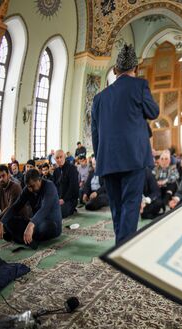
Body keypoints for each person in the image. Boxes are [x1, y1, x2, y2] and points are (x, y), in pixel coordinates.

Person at [91, 44, 159, 244]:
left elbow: (95, 135)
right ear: (136, 69)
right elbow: (153, 112)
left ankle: (120, 245)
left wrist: (100, 158)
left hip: (107, 160)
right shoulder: (139, 85)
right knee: (130, 204)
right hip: (133, 157)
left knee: (116, 206)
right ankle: (123, 250)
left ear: (114, 70)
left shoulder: (99, 98)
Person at [0, 169, 62, 249]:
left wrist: (31, 225)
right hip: (35, 222)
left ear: (39, 180)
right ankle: (29, 240)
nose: (30, 189)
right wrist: (2, 221)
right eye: (28, 187)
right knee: (9, 222)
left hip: (51, 224)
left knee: (42, 227)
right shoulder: (28, 189)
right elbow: (16, 206)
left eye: (32, 186)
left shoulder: (49, 187)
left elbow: (44, 209)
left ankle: (21, 238)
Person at [0, 164, 24, 235]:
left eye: (3, 176)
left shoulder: (16, 187)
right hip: (5, 219)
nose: (1, 179)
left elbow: (10, 208)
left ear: (8, 175)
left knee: (8, 223)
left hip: (19, 218)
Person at [52, 149, 79, 218]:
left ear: (64, 156)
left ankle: (72, 209)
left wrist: (64, 200)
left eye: (61, 157)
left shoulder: (72, 169)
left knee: (59, 213)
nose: (59, 159)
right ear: (55, 159)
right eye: (57, 158)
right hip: (58, 199)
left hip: (70, 199)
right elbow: (54, 187)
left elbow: (73, 188)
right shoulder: (56, 171)